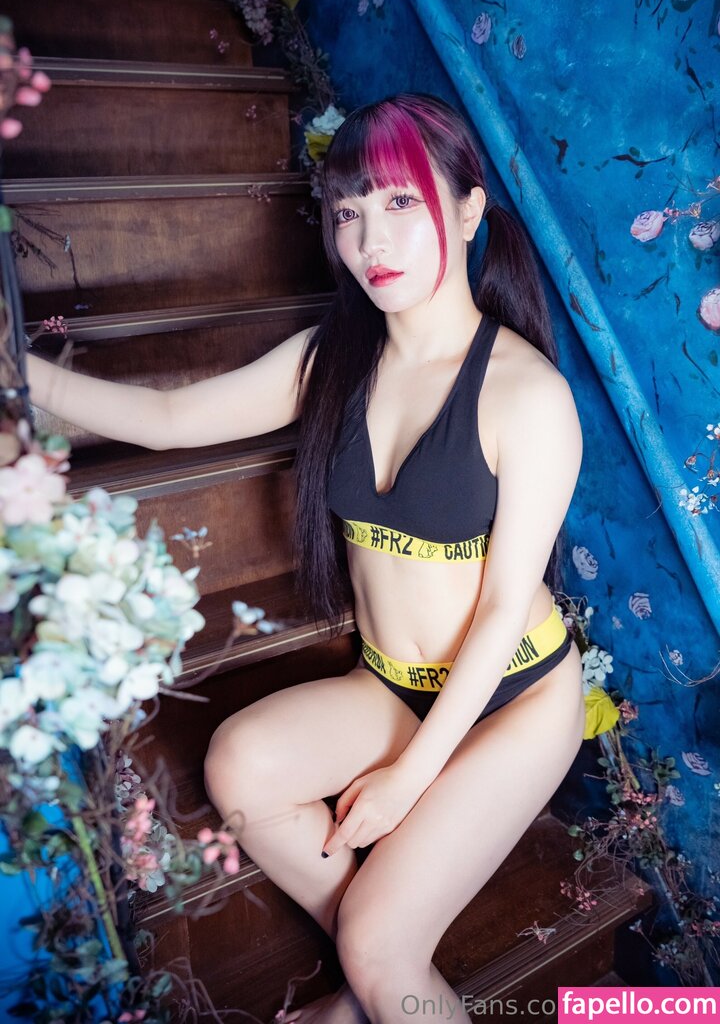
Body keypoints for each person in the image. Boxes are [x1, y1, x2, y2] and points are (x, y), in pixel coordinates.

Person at [27, 93, 585, 1024]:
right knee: (240, 766)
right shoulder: (332, 361)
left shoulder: (527, 397)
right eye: (349, 210)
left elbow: (499, 614)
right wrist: (20, 372)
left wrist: (410, 781)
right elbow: (169, 418)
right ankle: (374, 978)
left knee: (379, 945)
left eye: (401, 202)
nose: (372, 238)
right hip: (393, 682)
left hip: (514, 701)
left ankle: (374, 966)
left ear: (468, 211)